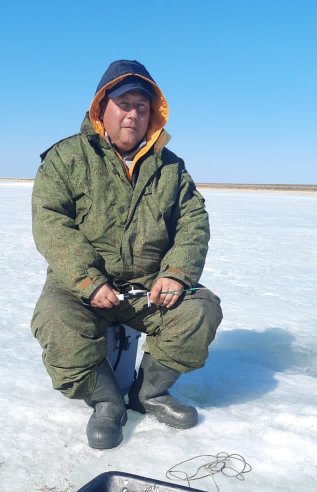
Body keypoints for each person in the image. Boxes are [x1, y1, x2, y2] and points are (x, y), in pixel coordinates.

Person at [31, 59, 223, 449]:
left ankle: (148, 393)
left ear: (153, 114)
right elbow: (50, 222)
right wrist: (88, 279)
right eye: (123, 103)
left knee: (200, 310)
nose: (132, 114)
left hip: (148, 289)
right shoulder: (66, 158)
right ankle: (106, 401)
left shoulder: (171, 168)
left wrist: (177, 273)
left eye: (141, 106)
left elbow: (193, 222)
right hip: (79, 287)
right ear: (102, 108)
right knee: (55, 322)